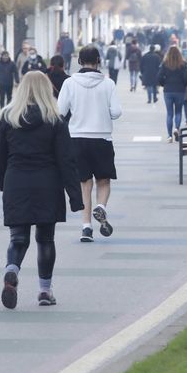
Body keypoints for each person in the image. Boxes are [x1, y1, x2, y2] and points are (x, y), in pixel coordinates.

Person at [0, 71, 84, 309]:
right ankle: (44, 291)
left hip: (16, 181)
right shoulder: (55, 119)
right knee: (45, 239)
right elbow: (66, 159)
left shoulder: (8, 117)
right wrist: (75, 196)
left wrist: (4, 182)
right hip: (47, 183)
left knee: (18, 237)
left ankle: (12, 269)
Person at [56, 46, 122, 243]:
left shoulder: (69, 83)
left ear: (79, 62)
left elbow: (60, 110)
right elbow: (116, 112)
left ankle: (86, 228)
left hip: (77, 138)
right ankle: (100, 207)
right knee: (104, 180)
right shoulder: (108, 84)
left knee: (85, 183)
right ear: (98, 61)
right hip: (102, 138)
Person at [158, 46, 187, 142]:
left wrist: (164, 84)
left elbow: (159, 77)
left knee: (169, 113)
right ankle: (177, 128)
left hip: (168, 90)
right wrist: (183, 85)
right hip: (179, 90)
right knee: (178, 112)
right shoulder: (183, 64)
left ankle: (169, 136)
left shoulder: (165, 64)